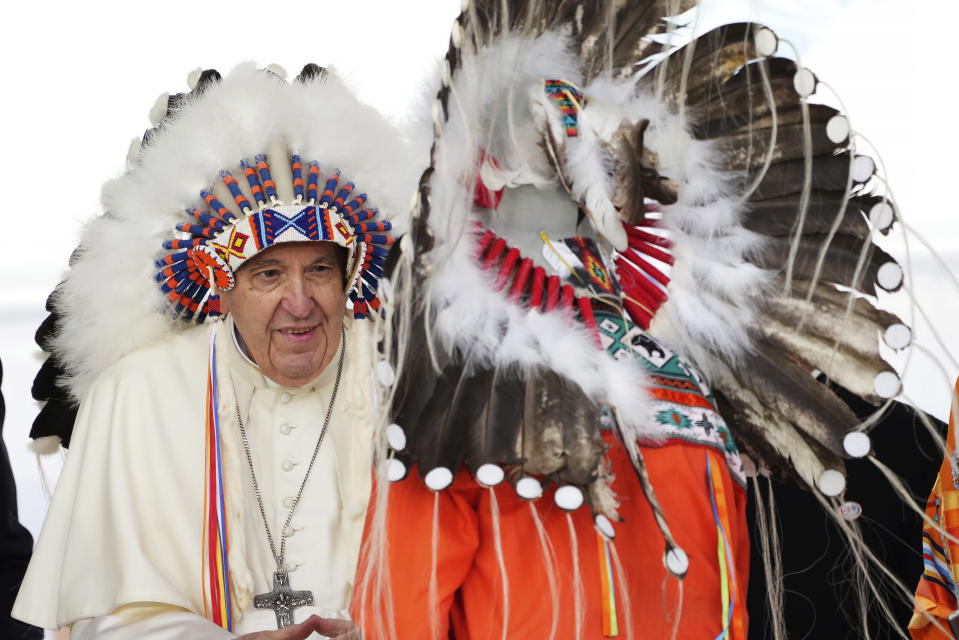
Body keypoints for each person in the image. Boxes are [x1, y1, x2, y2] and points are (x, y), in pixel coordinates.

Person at [12, 63, 410, 638]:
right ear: (222, 289)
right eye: (269, 274)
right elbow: (114, 619)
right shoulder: (138, 395)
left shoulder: (406, 378)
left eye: (320, 270)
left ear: (348, 278)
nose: (299, 303)